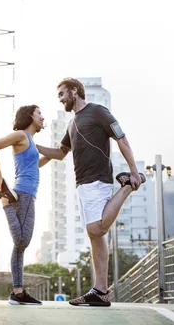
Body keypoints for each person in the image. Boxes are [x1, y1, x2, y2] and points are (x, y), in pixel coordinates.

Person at [36, 77, 145, 307]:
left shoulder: (98, 111)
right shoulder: (71, 124)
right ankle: (100, 291)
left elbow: (121, 137)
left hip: (98, 179)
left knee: (97, 228)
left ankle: (126, 187)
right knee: (95, 236)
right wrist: (32, 151)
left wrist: (134, 172)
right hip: (82, 183)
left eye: (62, 94)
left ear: (75, 91)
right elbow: (59, 153)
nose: (61, 99)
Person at [0, 104, 50, 305]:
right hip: (24, 193)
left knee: (20, 246)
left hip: (27, 193)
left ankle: (18, 292)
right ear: (29, 115)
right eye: (39, 113)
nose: (42, 116)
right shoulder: (21, 135)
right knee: (22, 241)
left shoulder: (30, 141)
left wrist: (59, 150)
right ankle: (5, 203)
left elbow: (33, 165)